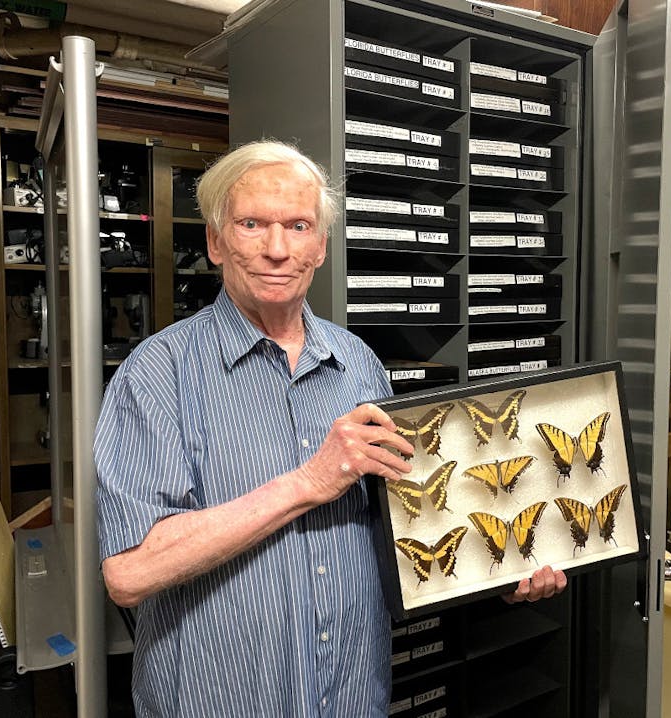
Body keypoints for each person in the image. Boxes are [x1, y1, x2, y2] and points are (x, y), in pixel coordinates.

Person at [95, 140, 566, 717]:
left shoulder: (358, 363)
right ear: (216, 243)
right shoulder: (158, 374)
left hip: (350, 695)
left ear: (320, 245)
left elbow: (407, 520)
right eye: (251, 225)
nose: (276, 249)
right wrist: (308, 481)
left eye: (298, 226)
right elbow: (130, 571)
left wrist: (500, 566)